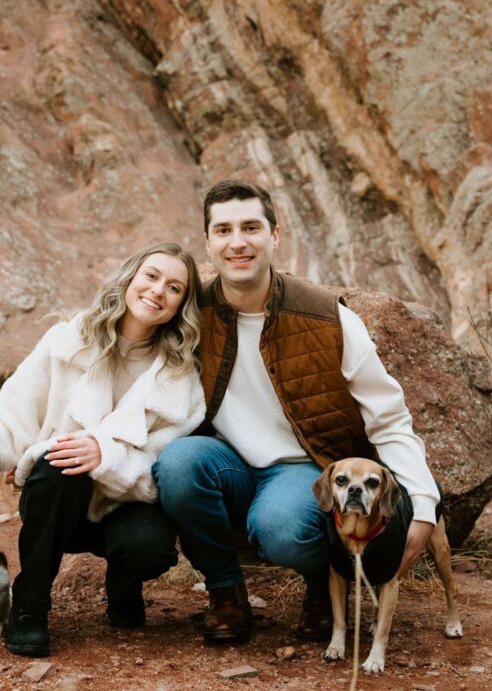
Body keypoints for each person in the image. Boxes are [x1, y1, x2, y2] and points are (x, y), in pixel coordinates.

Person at [152, 180, 440, 644]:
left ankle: (322, 587)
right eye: (223, 230)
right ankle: (226, 592)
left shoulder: (327, 316)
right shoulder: (191, 313)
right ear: (207, 243)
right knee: (179, 464)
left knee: (282, 527)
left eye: (251, 227)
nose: (238, 241)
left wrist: (424, 505)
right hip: (228, 463)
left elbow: (388, 418)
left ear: (275, 235)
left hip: (303, 469)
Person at [0, 242, 205, 657]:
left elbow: (164, 459)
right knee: (58, 460)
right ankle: (30, 604)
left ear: (180, 306)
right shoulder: (67, 341)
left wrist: (107, 455)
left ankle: (123, 584)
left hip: (125, 503)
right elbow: (12, 420)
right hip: (57, 499)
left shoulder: (179, 375)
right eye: (151, 276)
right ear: (131, 277)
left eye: (174, 288)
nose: (157, 291)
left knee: (149, 547)